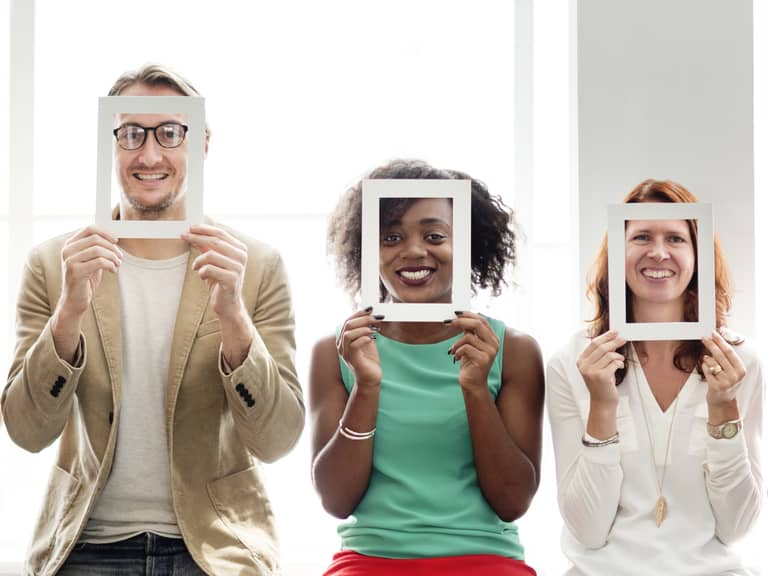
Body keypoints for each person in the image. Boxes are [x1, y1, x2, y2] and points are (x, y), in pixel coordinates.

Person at [1, 64, 304, 576]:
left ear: (201, 144)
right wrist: (68, 312)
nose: (149, 154)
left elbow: (276, 440)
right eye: (131, 134)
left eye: (170, 132)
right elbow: (27, 431)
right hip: (86, 546)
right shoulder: (54, 264)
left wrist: (233, 316)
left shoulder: (254, 265)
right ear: (110, 145)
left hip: (215, 552)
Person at [309, 159, 544, 576]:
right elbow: (335, 501)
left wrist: (474, 389)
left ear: (469, 243)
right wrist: (366, 388)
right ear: (368, 251)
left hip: (485, 560)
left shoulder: (515, 351)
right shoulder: (339, 351)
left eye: (434, 235)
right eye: (391, 237)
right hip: (370, 560)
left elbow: (512, 502)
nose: (413, 250)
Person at [547, 179, 764, 575]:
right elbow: (588, 530)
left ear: (698, 255)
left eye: (676, 239)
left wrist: (723, 410)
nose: (659, 252)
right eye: (642, 236)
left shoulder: (740, 362)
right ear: (618, 251)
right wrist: (601, 407)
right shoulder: (573, 361)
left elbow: (736, 527)